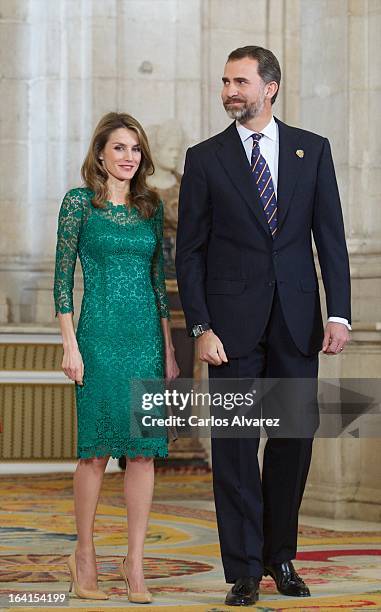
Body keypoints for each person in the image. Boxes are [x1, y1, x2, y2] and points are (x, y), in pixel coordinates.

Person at [176, 46, 350, 606]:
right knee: (233, 448)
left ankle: (281, 556)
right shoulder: (205, 159)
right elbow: (190, 254)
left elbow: (331, 239)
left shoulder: (312, 150)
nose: (230, 90)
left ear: (270, 87)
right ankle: (244, 570)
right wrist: (200, 325)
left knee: (293, 444)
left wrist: (339, 312)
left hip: (298, 326)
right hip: (230, 332)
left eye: (241, 81)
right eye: (226, 80)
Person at [53, 112, 179, 603]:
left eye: (136, 150)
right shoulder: (79, 204)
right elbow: (62, 281)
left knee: (144, 451)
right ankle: (83, 552)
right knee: (95, 451)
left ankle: (135, 560)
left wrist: (167, 348)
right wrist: (70, 344)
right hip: (98, 339)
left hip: (145, 340)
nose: (130, 157)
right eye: (120, 148)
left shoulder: (151, 207)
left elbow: (158, 286)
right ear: (101, 153)